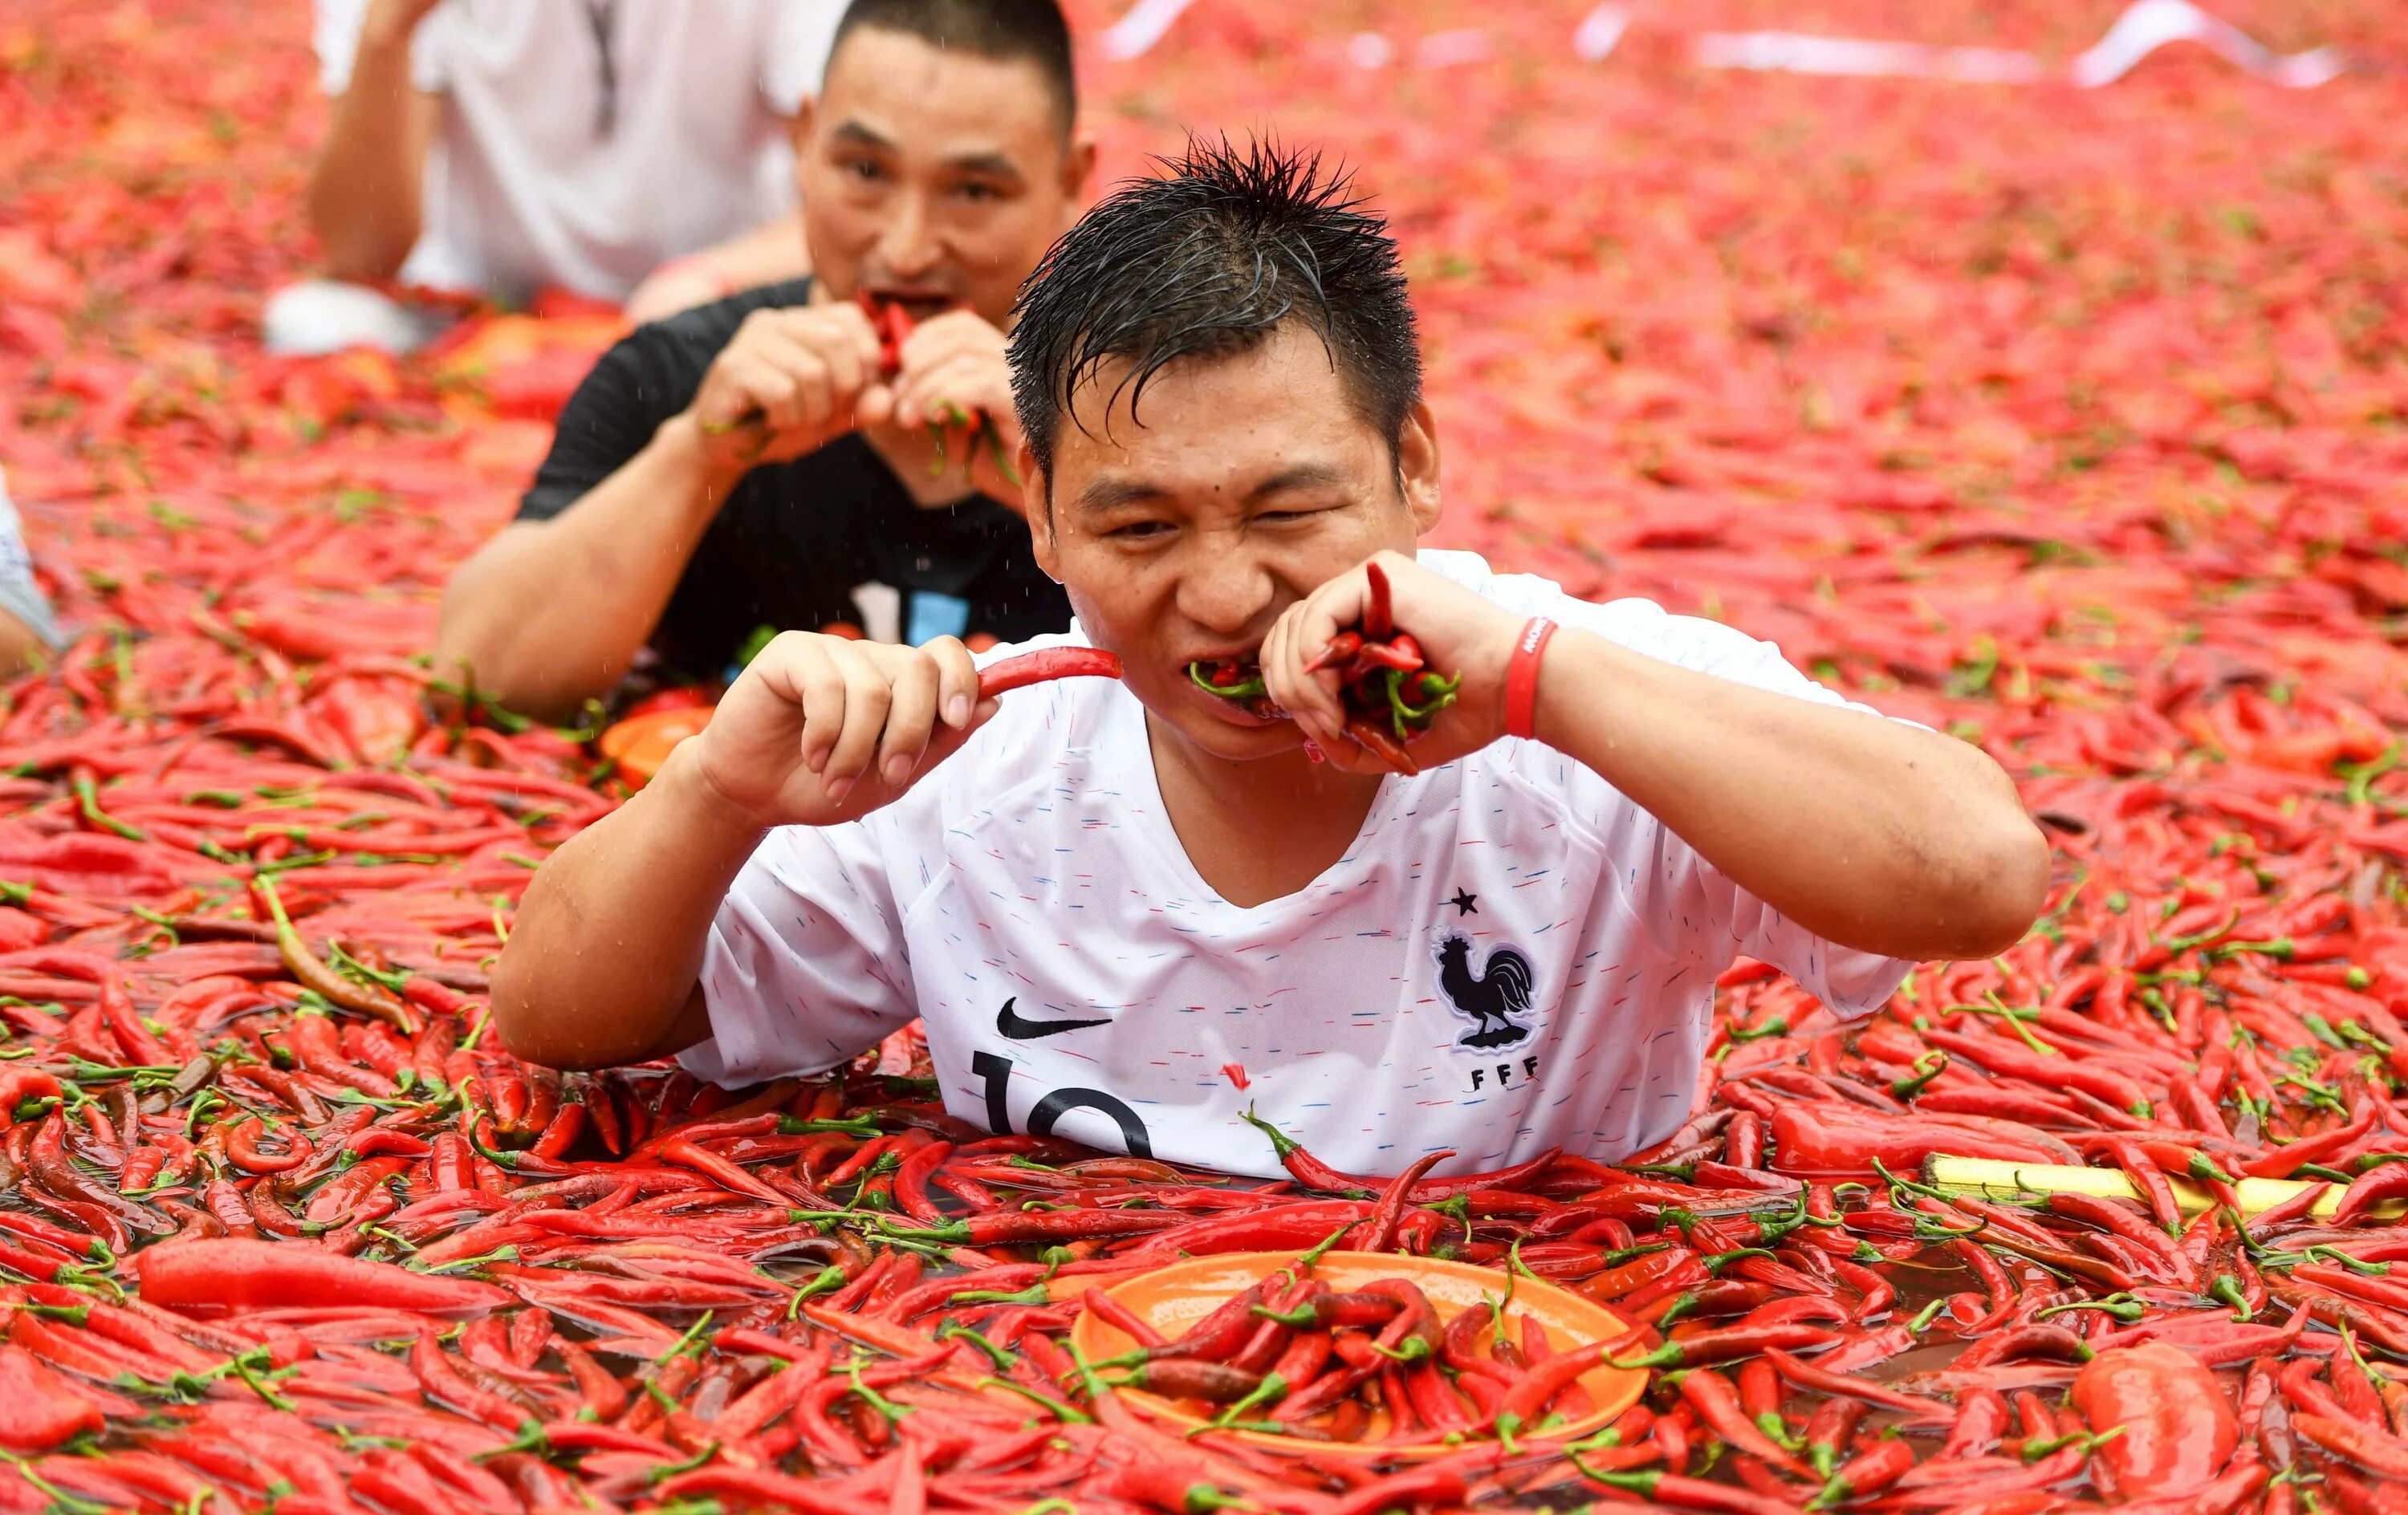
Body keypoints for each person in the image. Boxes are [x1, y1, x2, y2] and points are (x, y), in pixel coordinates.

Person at [490, 140, 2049, 1177]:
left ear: (1415, 465)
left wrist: (1542, 685)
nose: (1223, 592)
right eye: (1142, 525)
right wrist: (715, 792)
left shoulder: (1589, 706)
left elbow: (1980, 872)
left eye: (1292, 508)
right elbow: (556, 1017)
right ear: (1034, 513)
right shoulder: (981, 764)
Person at [432, 0, 1091, 720]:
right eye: (865, 169)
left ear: (1069, 181)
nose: (906, 248)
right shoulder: (676, 376)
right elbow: (477, 682)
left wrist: (1070, 481)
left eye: (973, 191)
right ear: (803, 143)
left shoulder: (1133, 403)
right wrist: (693, 459)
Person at [266, 0, 846, 355]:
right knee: (313, 322)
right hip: (484, 318)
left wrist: (710, 277)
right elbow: (358, 252)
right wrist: (387, 32)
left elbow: (856, 208)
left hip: (714, 306)